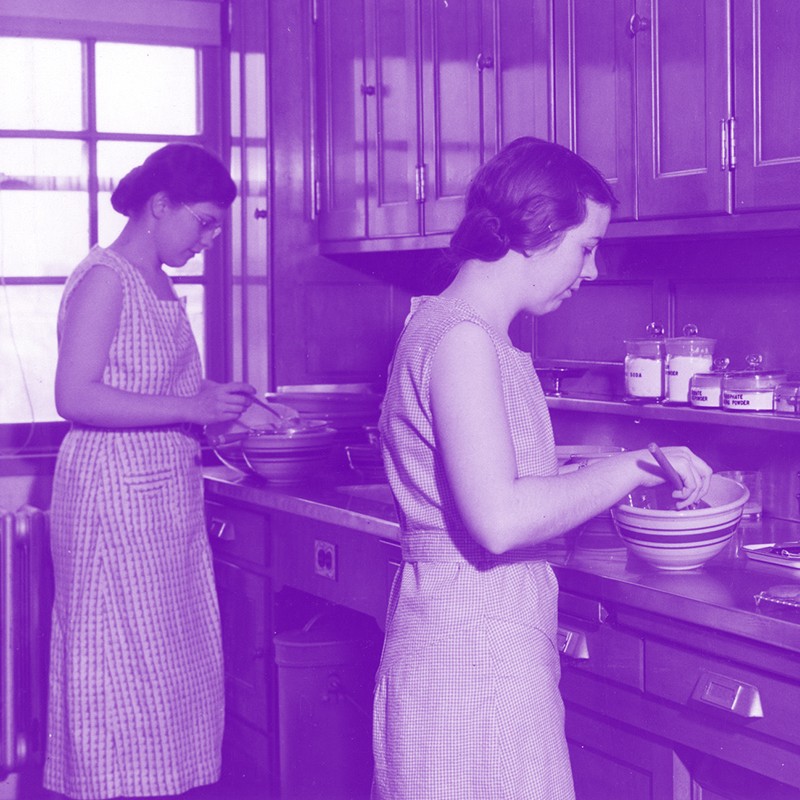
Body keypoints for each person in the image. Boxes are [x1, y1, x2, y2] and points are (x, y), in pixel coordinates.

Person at [372, 136, 712, 800]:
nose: (591, 271)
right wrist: (629, 466)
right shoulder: (464, 338)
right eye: (585, 248)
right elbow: (498, 520)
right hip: (471, 658)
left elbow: (491, 472)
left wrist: (579, 469)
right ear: (536, 232)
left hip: (474, 641)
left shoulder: (457, 329)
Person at [44, 143, 255, 800]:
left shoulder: (159, 280)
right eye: (204, 222)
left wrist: (226, 411)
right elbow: (75, 395)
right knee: (121, 667)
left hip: (161, 500)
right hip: (114, 501)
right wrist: (194, 405)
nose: (211, 240)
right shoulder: (107, 276)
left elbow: (150, 388)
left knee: (163, 671)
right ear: (159, 206)